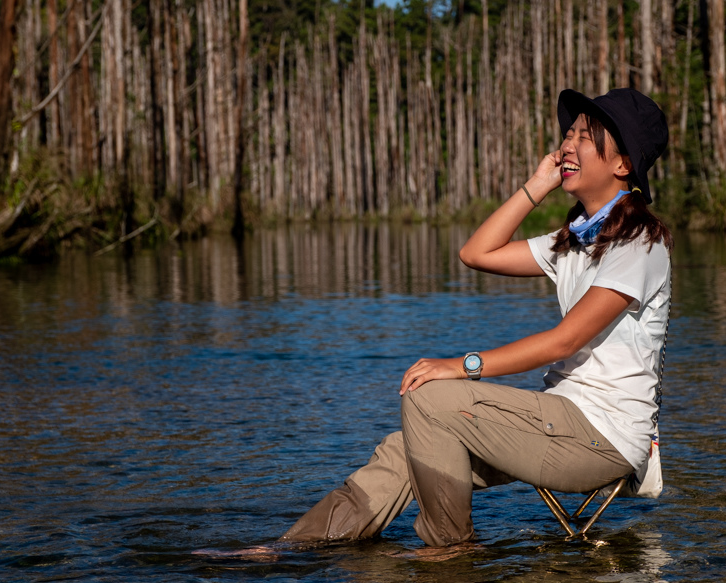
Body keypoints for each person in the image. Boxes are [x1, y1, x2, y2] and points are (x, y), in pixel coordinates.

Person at [281, 88, 673, 548]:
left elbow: (563, 342)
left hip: (599, 438)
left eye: (584, 137)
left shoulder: (640, 244)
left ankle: (451, 558)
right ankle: (295, 548)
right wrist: (537, 185)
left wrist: (461, 366)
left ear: (622, 164)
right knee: (405, 445)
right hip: (562, 421)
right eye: (567, 135)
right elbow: (476, 252)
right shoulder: (573, 240)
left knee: (430, 402)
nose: (567, 145)